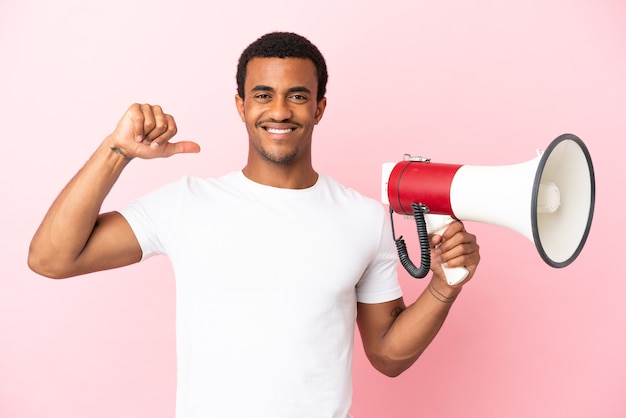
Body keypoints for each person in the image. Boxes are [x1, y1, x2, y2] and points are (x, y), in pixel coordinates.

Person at [28, 32, 480, 418]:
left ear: (320, 107)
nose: (279, 111)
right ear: (241, 105)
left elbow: (386, 356)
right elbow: (51, 259)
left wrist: (443, 287)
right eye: (263, 94)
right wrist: (117, 151)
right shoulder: (186, 203)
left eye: (298, 96)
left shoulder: (364, 218)